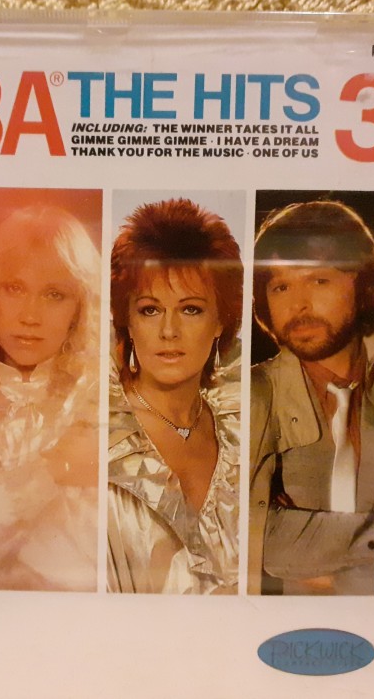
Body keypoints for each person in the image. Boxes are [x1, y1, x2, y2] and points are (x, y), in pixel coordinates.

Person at [108, 198, 243, 594]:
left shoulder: (242, 431)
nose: (169, 331)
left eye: (191, 310)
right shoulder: (98, 435)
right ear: (127, 321)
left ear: (220, 321)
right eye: (150, 310)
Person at [248, 200, 374, 596]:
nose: (298, 305)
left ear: (361, 283)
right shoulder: (250, 396)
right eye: (281, 287)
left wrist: (314, 540)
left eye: (319, 280)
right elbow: (254, 540)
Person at [0, 204, 100, 591]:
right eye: (14, 288)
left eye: (54, 295)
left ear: (81, 307)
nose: (30, 315)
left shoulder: (105, 408)